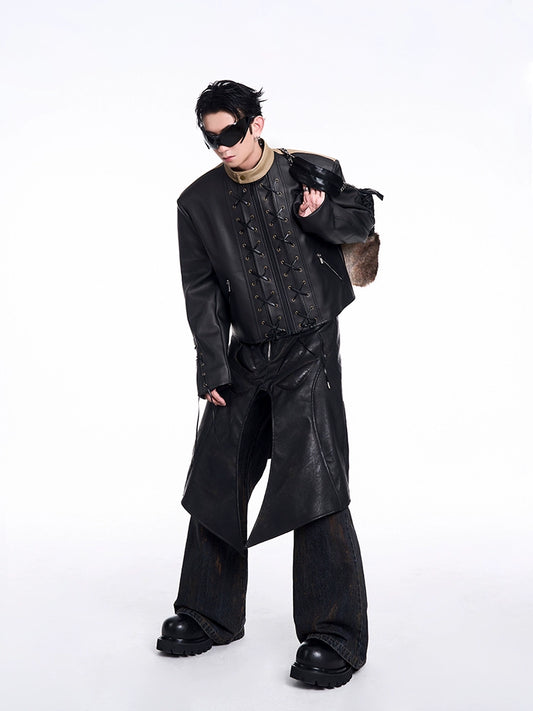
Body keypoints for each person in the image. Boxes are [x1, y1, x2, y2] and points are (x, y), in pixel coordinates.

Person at [156, 80, 376, 689]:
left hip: (311, 349)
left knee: (315, 482)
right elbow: (200, 290)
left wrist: (318, 211)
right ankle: (208, 613)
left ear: (255, 124)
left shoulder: (308, 172)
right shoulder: (196, 203)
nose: (222, 147)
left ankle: (335, 634)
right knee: (217, 476)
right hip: (245, 356)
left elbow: (361, 223)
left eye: (230, 133)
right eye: (210, 139)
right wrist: (212, 366)